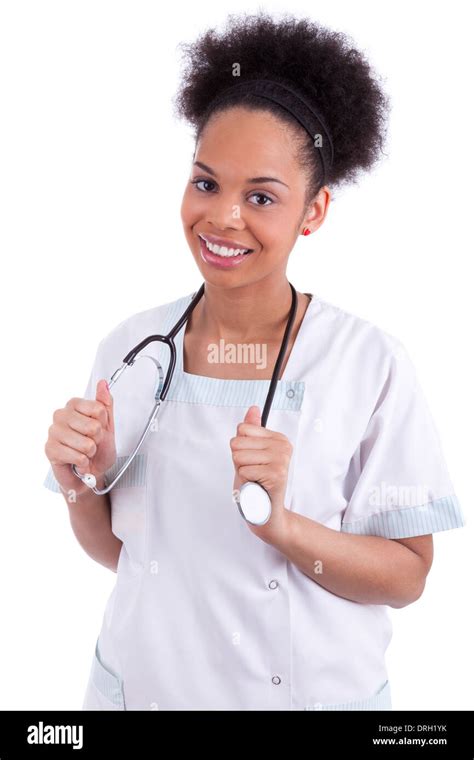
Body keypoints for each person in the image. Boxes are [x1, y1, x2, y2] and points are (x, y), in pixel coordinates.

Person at [43, 12, 465, 710]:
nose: (223, 218)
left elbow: (408, 576)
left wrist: (281, 525)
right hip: (139, 694)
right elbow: (126, 558)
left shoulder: (367, 365)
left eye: (261, 197)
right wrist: (81, 480)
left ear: (315, 212)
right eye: (206, 183)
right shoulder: (131, 350)